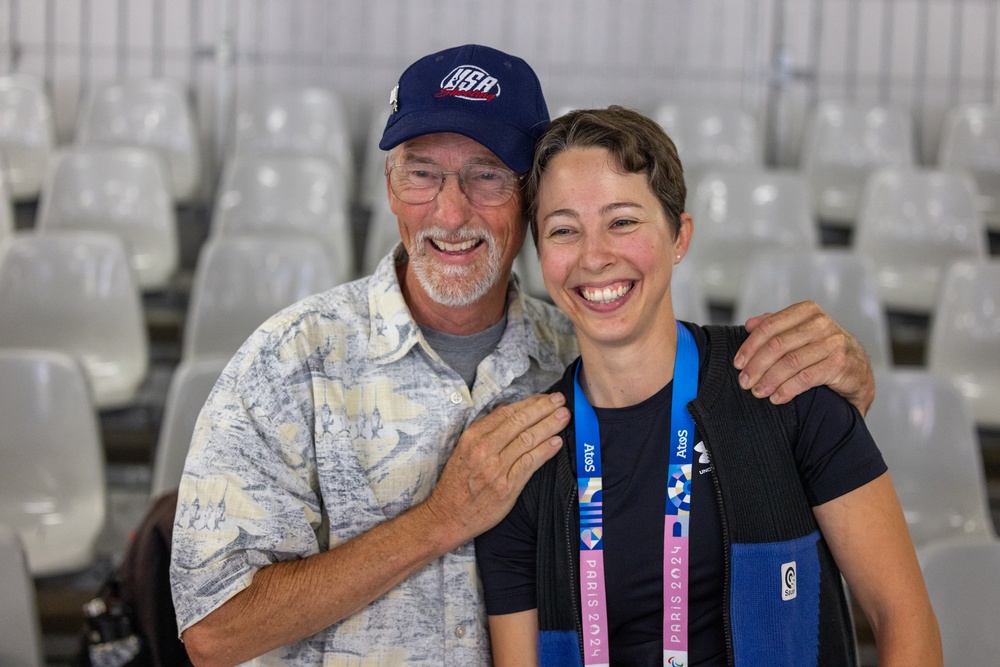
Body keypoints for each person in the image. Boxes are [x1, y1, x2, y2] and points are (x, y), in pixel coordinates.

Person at [170, 45, 877, 666]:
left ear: (529, 198)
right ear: (389, 187)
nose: (451, 213)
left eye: (485, 175)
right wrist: (438, 522)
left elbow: (734, 417)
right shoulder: (292, 361)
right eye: (422, 174)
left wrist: (840, 376)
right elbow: (213, 631)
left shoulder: (584, 347)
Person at [474, 106, 941, 666]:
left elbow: (903, 618)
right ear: (541, 254)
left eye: (623, 221)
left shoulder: (785, 386)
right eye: (564, 230)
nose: (594, 256)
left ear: (679, 236)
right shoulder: (527, 463)